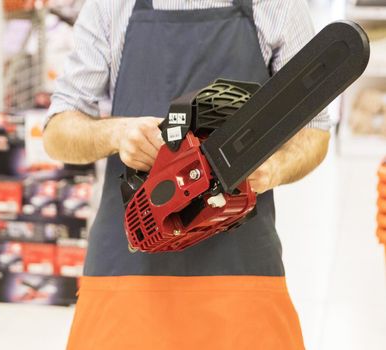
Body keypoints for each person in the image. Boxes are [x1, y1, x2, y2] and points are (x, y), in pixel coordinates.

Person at [43, 1, 330, 349]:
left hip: (240, 262)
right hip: (129, 266)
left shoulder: (276, 7)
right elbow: (58, 132)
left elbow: (314, 132)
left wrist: (274, 169)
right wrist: (117, 134)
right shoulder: (110, 7)